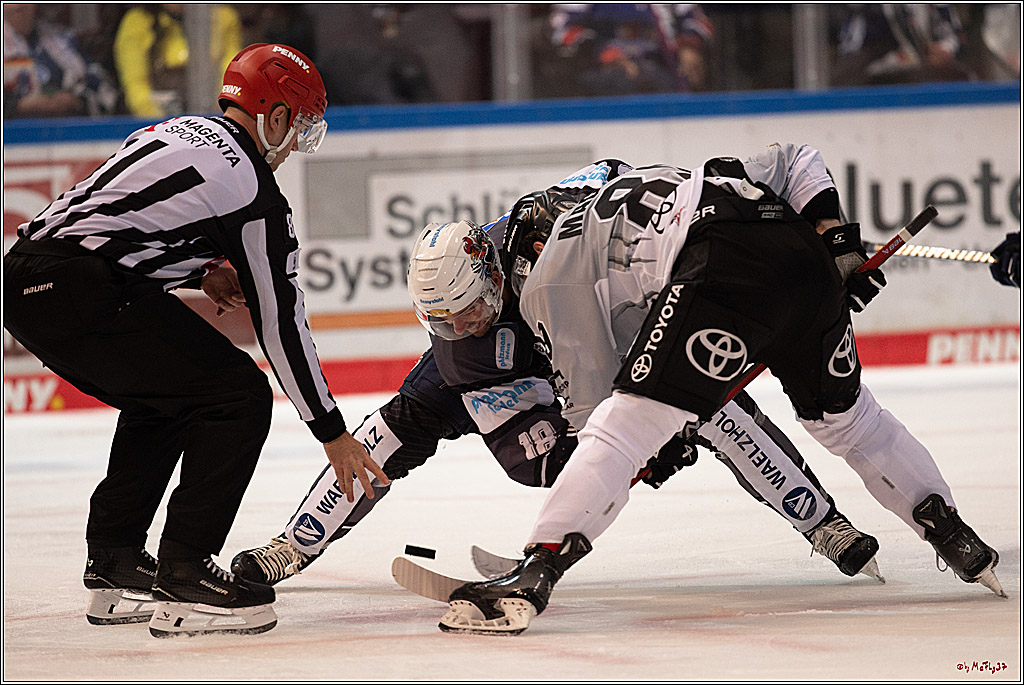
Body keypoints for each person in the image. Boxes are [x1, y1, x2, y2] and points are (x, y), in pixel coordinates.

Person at [230, 160, 883, 591]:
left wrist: (778, 231)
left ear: (488, 268)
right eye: (443, 322)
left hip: (603, 331)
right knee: (391, 427)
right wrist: (645, 454)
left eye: (467, 312)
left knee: (715, 405)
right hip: (537, 380)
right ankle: (293, 543)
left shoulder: (537, 227)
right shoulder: (469, 352)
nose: (461, 328)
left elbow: (623, 179)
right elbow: (533, 460)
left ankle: (822, 521)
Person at [434, 144, 1004, 634]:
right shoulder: (657, 179)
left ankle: (537, 572)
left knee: (624, 428)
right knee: (852, 421)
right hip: (800, 257)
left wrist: (655, 446)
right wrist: (836, 240)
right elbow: (796, 159)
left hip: (717, 268)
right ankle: (954, 535)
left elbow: (596, 419)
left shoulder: (551, 276)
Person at [2, 43, 387, 638]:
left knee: (169, 396)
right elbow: (280, 321)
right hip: (83, 288)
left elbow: (105, 228)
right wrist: (331, 431)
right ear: (275, 116)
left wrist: (196, 272)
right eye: (300, 123)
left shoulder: (176, 130)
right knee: (238, 395)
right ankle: (186, 574)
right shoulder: (254, 192)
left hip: (29, 279)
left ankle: (115, 564)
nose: (297, 144)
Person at [113, 4, 242, 117]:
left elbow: (232, 73)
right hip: (156, 121)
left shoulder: (223, 17)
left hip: (211, 114)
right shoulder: (137, 22)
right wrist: (162, 122)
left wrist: (221, 111)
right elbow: (135, 87)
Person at [3, 3, 118, 117]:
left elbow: (106, 93)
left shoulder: (62, 40)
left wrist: (77, 101)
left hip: (67, 130)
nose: (18, 6)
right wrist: (17, 106)